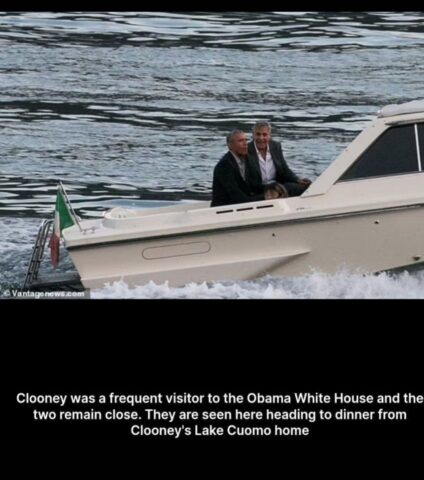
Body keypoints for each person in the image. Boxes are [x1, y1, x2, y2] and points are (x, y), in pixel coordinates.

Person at [211, 129, 282, 207]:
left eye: (246, 140)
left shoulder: (247, 159)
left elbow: (253, 186)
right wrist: (266, 197)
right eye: (241, 141)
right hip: (224, 208)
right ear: (230, 145)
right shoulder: (224, 166)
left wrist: (272, 188)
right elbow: (237, 196)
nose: (245, 144)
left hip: (240, 205)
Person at [247, 121, 311, 197]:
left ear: (269, 135)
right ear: (253, 135)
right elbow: (248, 180)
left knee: (306, 187)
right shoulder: (247, 149)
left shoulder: (276, 146)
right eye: (258, 134)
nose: (261, 138)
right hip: (259, 189)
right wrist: (268, 188)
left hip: (277, 186)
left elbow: (285, 169)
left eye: (264, 135)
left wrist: (297, 179)